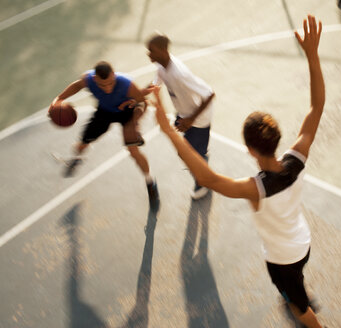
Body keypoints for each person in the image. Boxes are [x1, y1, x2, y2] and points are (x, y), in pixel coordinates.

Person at [152, 15, 326, 328]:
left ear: (250, 150)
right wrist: (313, 56)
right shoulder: (296, 159)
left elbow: (206, 179)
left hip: (282, 259)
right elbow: (316, 108)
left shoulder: (255, 188)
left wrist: (168, 130)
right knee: (296, 283)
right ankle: (297, 291)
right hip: (302, 243)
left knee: (300, 307)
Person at [49, 61, 160, 211]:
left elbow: (143, 104)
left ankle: (150, 182)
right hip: (104, 113)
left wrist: (134, 123)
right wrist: (59, 99)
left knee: (133, 151)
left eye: (110, 83)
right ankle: (77, 159)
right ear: (95, 80)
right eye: (103, 85)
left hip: (126, 114)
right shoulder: (88, 80)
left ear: (114, 75)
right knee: (81, 145)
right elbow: (76, 85)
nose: (107, 88)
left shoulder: (127, 84)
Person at [145, 34, 215, 200]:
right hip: (184, 114)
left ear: (162, 51)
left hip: (198, 120)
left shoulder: (180, 74)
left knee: (188, 155)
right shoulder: (162, 67)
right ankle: (202, 156)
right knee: (186, 152)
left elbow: (210, 94)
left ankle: (204, 183)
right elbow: (155, 84)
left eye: (151, 51)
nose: (148, 54)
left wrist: (190, 120)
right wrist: (135, 98)